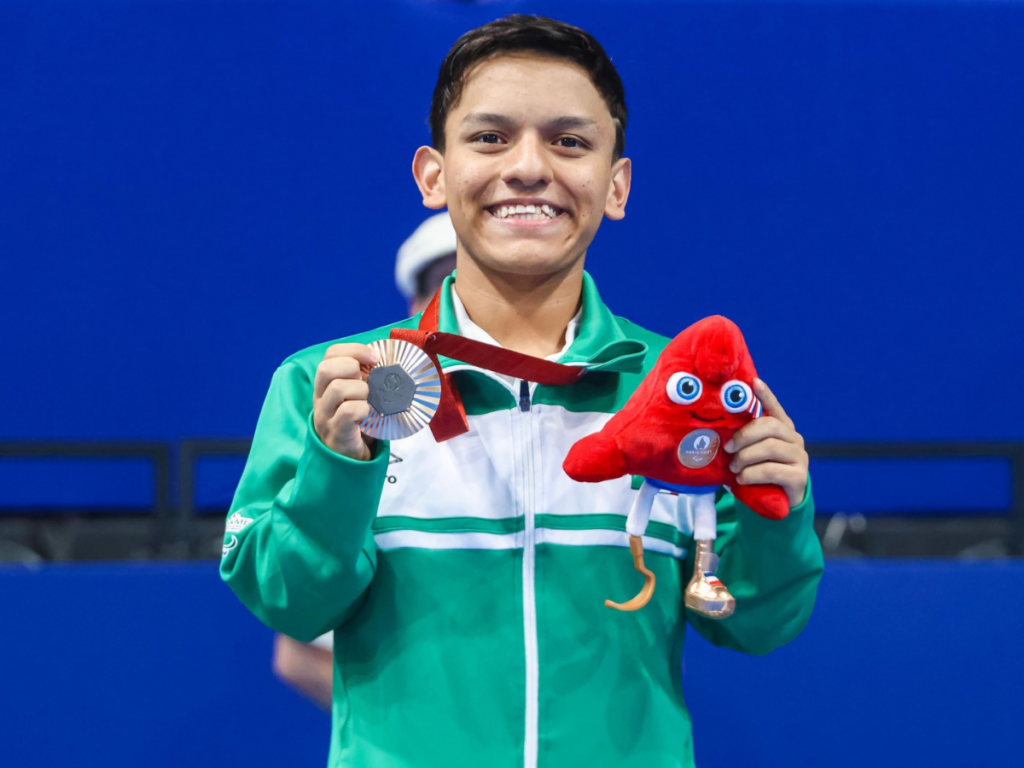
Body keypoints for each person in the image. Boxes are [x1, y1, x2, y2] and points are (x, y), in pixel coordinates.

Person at [222, 15, 823, 768]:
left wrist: (777, 510)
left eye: (570, 142)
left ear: (617, 184)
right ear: (432, 175)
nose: (530, 167)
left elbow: (757, 623)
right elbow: (291, 603)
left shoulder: (685, 391)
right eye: (490, 138)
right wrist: (338, 465)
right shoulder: (330, 386)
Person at [272, 212, 457, 710]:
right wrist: (420, 730)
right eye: (446, 282)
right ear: (414, 307)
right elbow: (298, 652)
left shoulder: (591, 415)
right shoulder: (363, 434)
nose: (464, 298)